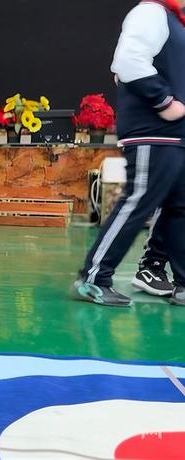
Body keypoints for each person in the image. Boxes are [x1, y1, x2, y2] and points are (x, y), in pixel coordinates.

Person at [74, 0, 185, 307]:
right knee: (138, 199)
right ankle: (94, 278)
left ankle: (183, 283)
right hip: (154, 130)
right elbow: (128, 61)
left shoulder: (176, 22)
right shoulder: (151, 12)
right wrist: (165, 102)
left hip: (175, 135)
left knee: (179, 207)